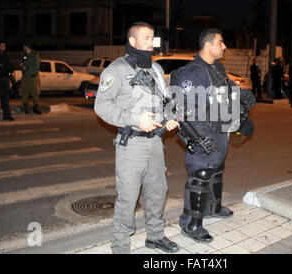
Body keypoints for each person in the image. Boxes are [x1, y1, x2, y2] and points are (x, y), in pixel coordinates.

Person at [94, 22, 180, 254]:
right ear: (132, 41)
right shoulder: (117, 69)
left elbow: (165, 102)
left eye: (152, 37)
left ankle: (155, 236)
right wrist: (134, 119)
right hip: (131, 144)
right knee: (128, 198)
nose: (150, 42)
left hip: (155, 143)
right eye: (145, 37)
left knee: (157, 192)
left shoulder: (157, 70)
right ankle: (120, 247)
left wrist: (169, 118)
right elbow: (101, 106)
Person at [174, 29, 254, 243]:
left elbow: (226, 96)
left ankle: (213, 207)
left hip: (220, 129)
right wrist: (199, 137)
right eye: (221, 42)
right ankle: (191, 224)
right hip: (203, 133)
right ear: (208, 45)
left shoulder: (217, 68)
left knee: (216, 169)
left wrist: (242, 111)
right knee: (200, 173)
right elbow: (186, 109)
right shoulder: (194, 72)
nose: (224, 46)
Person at [21, 42, 41, 114]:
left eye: (23, 46)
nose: (23, 48)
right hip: (25, 76)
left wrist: (26, 69)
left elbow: (36, 67)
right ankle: (25, 106)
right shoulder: (26, 55)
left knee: (34, 92)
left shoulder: (34, 54)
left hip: (31, 76)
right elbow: (24, 64)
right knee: (24, 92)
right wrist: (22, 65)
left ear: (26, 46)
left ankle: (36, 107)